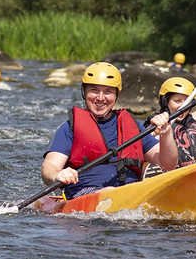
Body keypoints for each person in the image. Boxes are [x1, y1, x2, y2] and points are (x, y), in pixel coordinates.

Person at [41, 62, 178, 199]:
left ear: (116, 95)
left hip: (131, 192)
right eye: (94, 90)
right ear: (84, 92)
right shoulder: (69, 128)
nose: (100, 98)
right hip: (85, 194)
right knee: (109, 191)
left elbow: (167, 164)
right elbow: (49, 168)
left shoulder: (131, 126)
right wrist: (57, 175)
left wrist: (166, 133)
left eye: (108, 92)